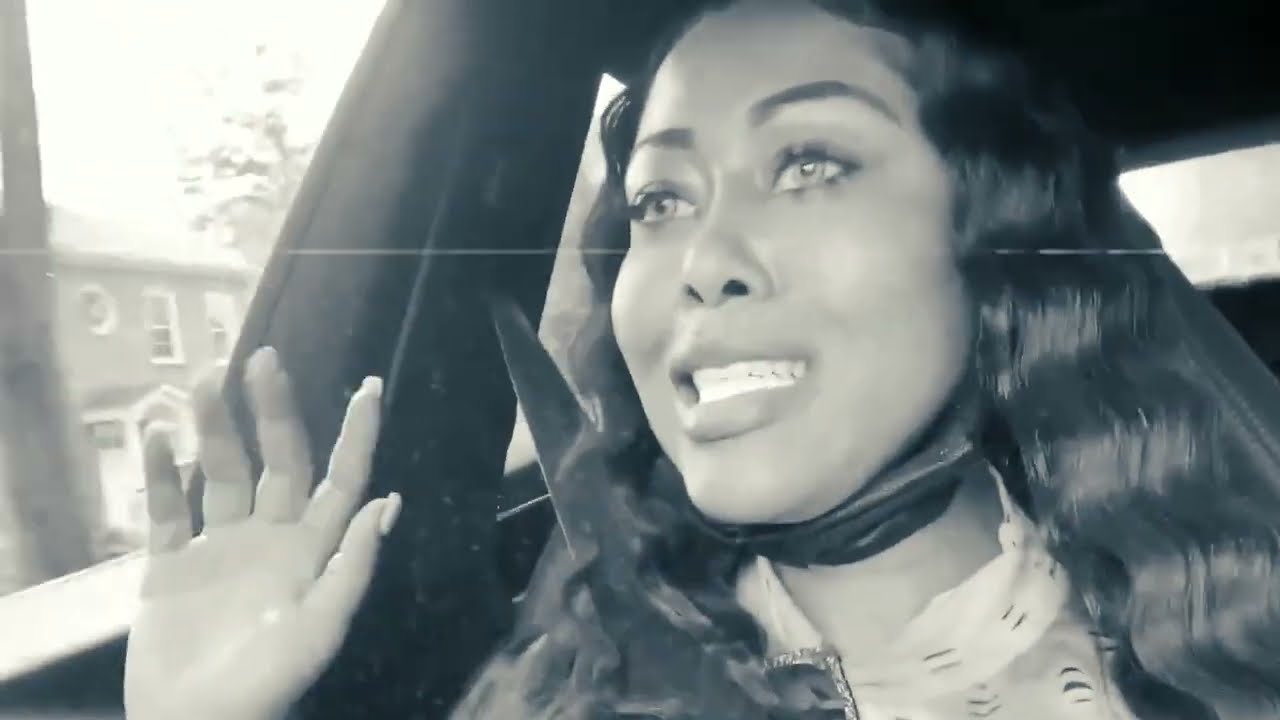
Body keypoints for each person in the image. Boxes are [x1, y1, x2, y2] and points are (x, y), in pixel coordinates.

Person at [124, 1, 1280, 718]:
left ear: (992, 242)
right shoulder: (563, 689)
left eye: (809, 165)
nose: (702, 261)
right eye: (660, 201)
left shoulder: (1224, 651)